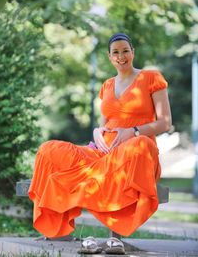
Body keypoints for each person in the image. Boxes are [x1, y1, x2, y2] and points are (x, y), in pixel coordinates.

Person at [28, 33, 172, 254]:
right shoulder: (107, 85)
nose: (121, 56)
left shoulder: (152, 78)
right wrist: (97, 132)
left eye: (125, 51)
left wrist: (133, 132)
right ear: (109, 56)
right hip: (100, 153)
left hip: (134, 154)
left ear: (133, 52)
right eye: (116, 52)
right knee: (48, 150)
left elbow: (165, 123)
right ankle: (54, 227)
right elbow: (104, 123)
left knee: (141, 145)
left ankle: (114, 233)